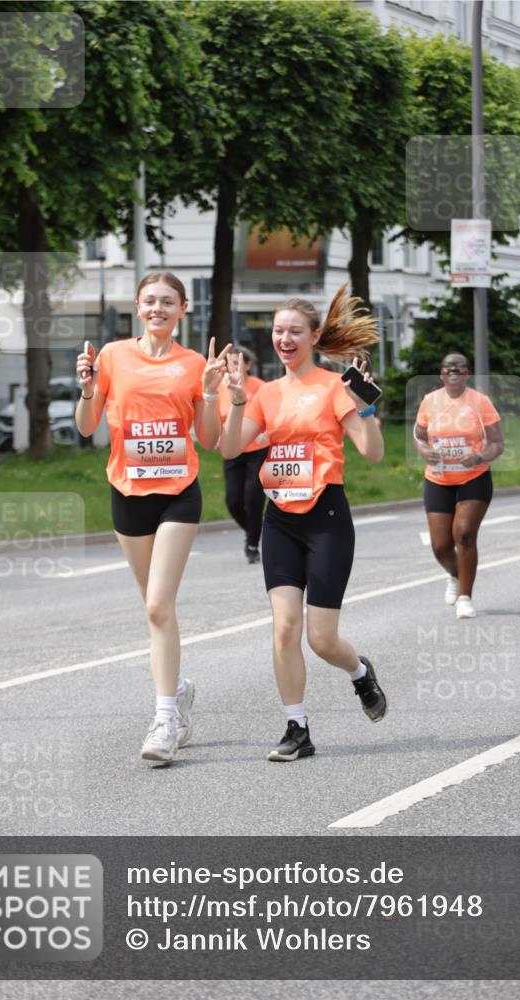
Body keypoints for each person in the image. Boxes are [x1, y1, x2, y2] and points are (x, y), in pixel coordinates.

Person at [220, 284, 388, 762]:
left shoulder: (335, 385)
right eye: (278, 331)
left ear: (314, 336)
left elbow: (373, 454)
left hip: (327, 519)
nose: (285, 338)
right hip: (281, 522)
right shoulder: (266, 394)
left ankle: (359, 673)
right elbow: (231, 449)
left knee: (322, 639)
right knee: (284, 627)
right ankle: (297, 727)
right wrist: (234, 403)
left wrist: (365, 407)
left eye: (295, 331)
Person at [75, 272, 230, 766]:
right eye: (149, 301)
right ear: (137, 308)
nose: (157, 308)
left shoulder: (193, 365)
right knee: (154, 609)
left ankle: (164, 719)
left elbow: (208, 441)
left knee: (159, 606)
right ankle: (179, 690)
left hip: (178, 495)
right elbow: (86, 426)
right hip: (127, 493)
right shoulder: (113, 357)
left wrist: (208, 393)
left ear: (183, 309)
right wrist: (87, 388)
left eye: (167, 302)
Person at [413, 353, 505, 619]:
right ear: (441, 373)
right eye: (448, 367)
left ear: (467, 373)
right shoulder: (430, 401)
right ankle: (456, 573)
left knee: (464, 534)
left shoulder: (480, 402)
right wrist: (423, 451)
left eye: (460, 368)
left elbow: (498, 443)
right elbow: (419, 437)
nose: (454, 371)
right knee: (440, 546)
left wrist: (479, 456)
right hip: (438, 479)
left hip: (473, 477)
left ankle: (465, 596)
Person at [218, 346, 269, 563]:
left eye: (237, 363)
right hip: (233, 450)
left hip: (258, 449)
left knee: (253, 498)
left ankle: (252, 544)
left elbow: (272, 413)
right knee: (233, 500)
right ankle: (256, 530)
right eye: (229, 363)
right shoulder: (222, 387)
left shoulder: (261, 387)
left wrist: (265, 432)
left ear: (248, 365)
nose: (233, 368)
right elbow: (216, 415)